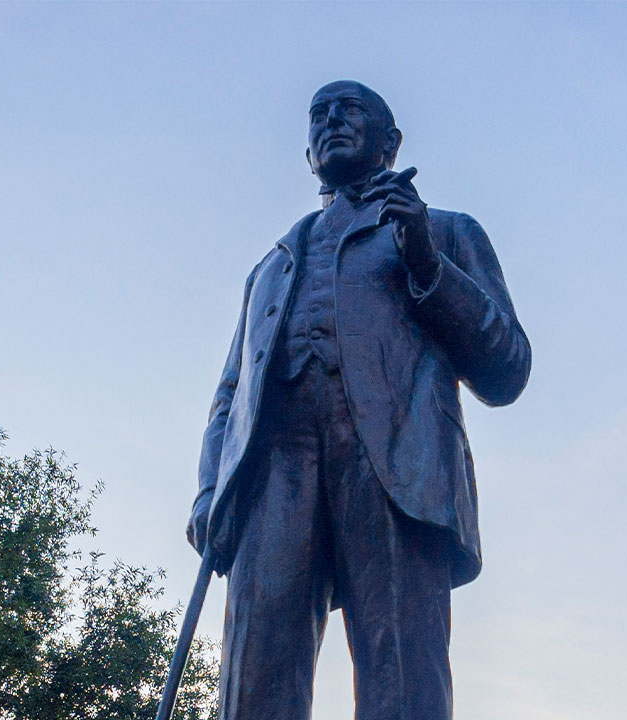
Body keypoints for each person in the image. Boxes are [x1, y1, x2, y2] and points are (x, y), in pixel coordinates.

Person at [186, 79, 531, 720]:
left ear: (391, 143)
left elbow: (507, 368)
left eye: (351, 110)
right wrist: (211, 492)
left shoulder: (446, 233)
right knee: (253, 677)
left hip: (395, 467)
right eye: (318, 113)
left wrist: (427, 264)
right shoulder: (271, 268)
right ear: (306, 151)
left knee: (402, 676)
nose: (331, 120)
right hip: (275, 476)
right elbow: (231, 395)